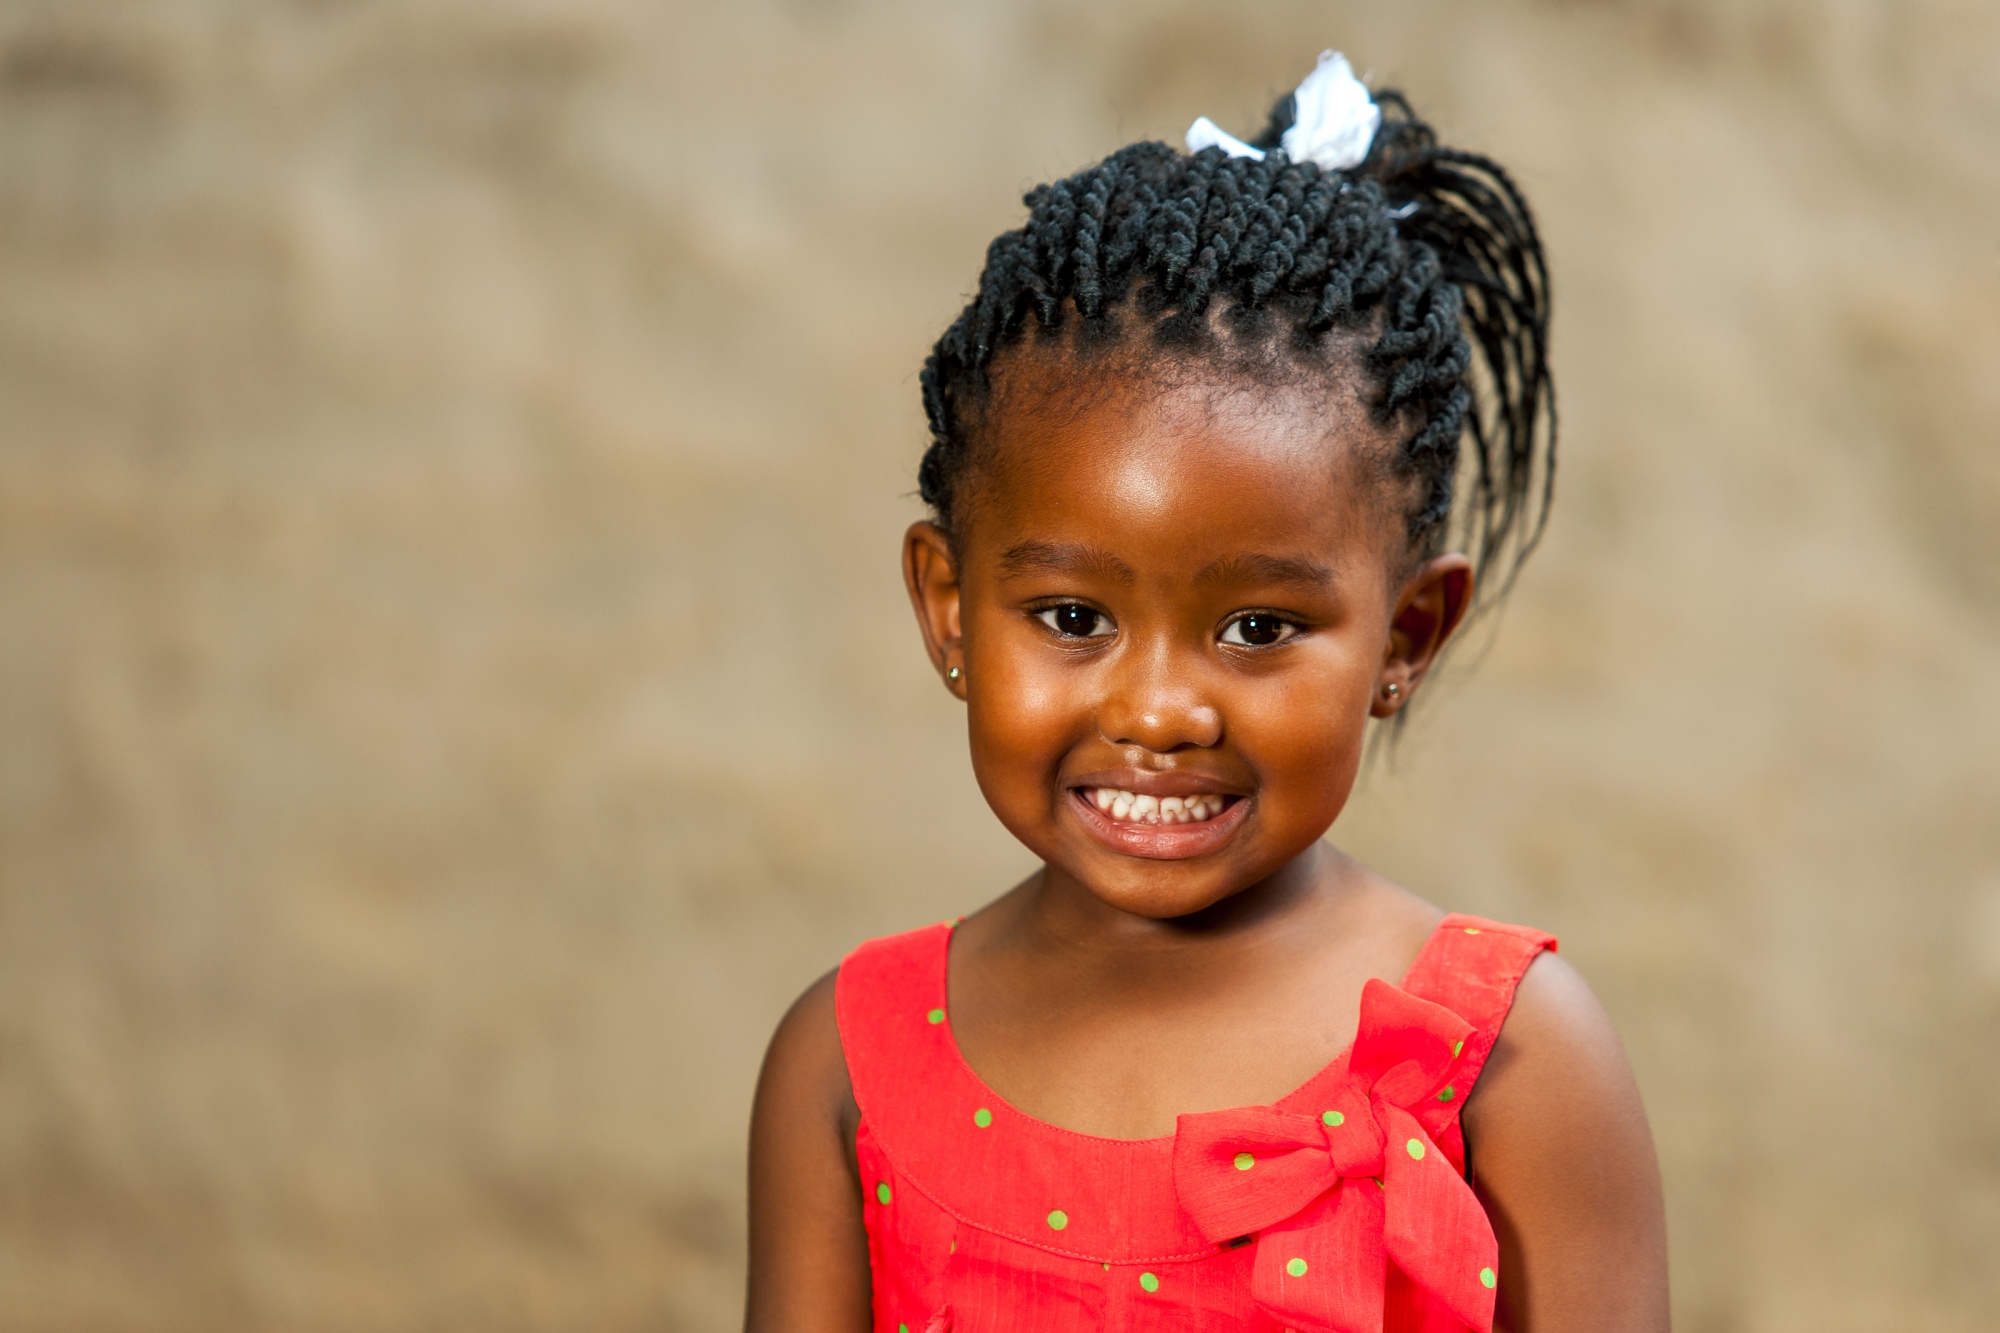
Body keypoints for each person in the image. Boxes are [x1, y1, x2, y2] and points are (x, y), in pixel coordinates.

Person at [746, 51, 1668, 1333]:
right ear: (947, 608)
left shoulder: (1510, 1061)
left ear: (1407, 635)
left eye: (1255, 625)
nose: (1160, 710)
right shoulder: (846, 1063)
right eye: (1072, 617)